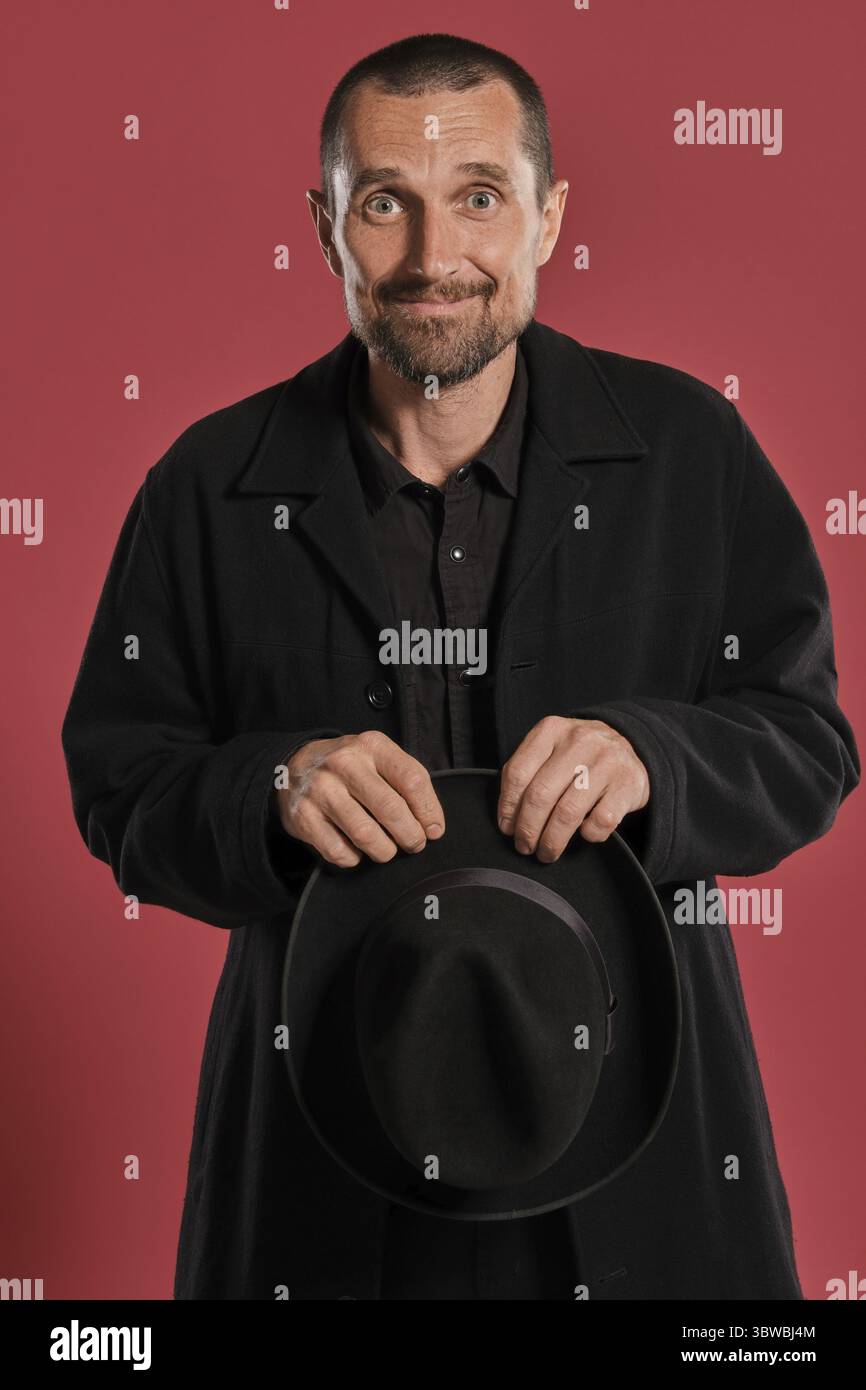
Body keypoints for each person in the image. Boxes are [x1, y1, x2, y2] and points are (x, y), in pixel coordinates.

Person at [61, 32, 859, 1300]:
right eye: (385, 202)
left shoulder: (692, 449)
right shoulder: (204, 487)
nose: (434, 258)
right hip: (316, 1159)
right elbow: (117, 785)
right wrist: (269, 787)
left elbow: (808, 746)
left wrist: (655, 755)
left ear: (546, 218)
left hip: (642, 1147)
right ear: (325, 226)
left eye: (478, 198)